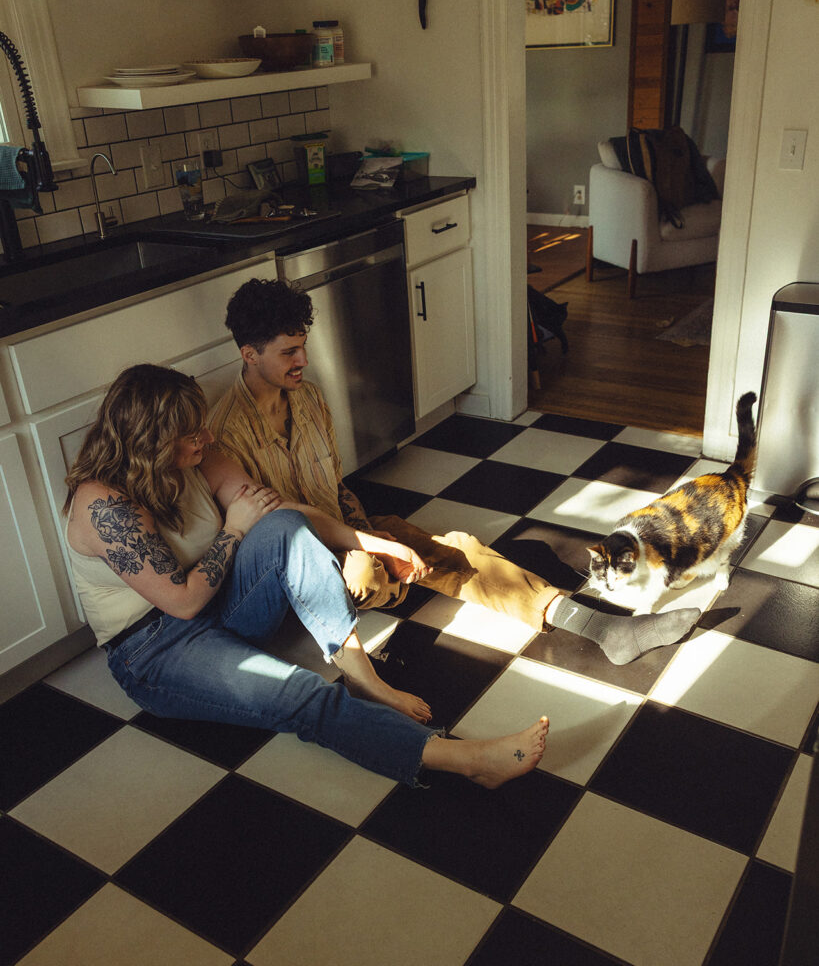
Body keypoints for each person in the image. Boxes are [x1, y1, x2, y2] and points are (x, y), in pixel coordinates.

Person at [63, 363, 550, 789]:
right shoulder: (103, 505)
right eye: (192, 434)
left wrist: (370, 541)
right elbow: (184, 602)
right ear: (150, 443)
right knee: (296, 691)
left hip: (218, 605)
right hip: (154, 648)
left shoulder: (195, 458)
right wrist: (233, 531)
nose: (207, 439)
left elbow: (282, 510)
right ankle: (464, 760)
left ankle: (363, 676)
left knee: (285, 526)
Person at [207, 279, 701, 666]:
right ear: (250, 355)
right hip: (302, 563)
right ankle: (386, 578)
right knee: (367, 571)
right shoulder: (226, 434)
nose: (304, 360)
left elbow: (335, 488)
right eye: (288, 353)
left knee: (457, 548)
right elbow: (284, 526)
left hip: (345, 532)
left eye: (303, 346)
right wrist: (375, 548)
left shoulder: (309, 398)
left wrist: (373, 531)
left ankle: (603, 630)